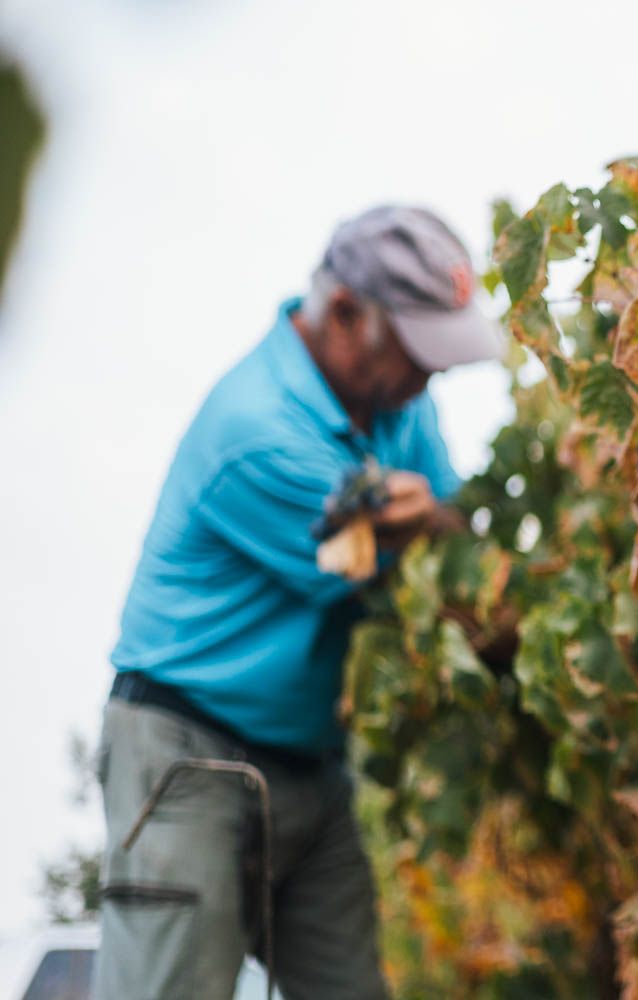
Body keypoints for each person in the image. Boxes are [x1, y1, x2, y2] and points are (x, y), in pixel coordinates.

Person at [94, 205, 500, 1000]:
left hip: (310, 763)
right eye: (420, 351)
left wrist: (438, 531)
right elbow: (369, 559)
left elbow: (446, 534)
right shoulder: (255, 431)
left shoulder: (399, 405)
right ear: (346, 313)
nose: (434, 375)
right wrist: (428, 539)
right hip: (187, 752)